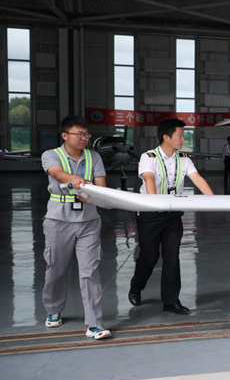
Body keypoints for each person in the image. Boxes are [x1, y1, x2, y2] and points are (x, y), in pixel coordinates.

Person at [130, 118, 214, 314]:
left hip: (173, 215)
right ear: (166, 137)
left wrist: (215, 201)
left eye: (183, 135)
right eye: (180, 135)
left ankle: (171, 301)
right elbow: (149, 179)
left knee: (172, 257)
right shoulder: (148, 157)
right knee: (149, 256)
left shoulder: (183, 158)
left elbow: (197, 179)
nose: (183, 139)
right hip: (150, 214)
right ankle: (136, 288)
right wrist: (154, 203)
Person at [41, 116, 111, 340]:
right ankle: (53, 309)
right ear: (65, 135)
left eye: (86, 134)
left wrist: (94, 195)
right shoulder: (51, 155)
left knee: (90, 272)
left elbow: (101, 185)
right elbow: (56, 173)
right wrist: (76, 180)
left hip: (89, 221)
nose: (84, 138)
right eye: (79, 134)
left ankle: (94, 324)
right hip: (58, 221)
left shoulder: (94, 157)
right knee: (56, 268)